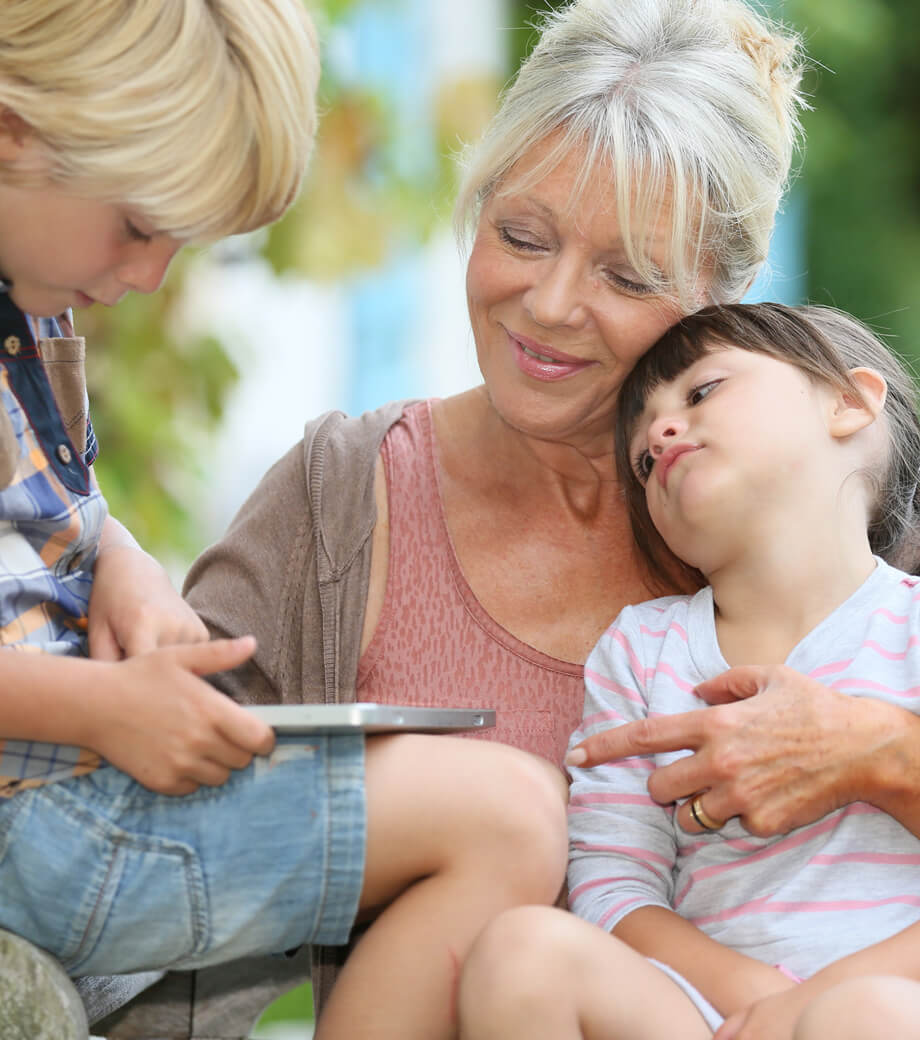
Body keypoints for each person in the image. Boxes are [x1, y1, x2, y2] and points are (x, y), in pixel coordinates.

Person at [181, 0, 814, 1024]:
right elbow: (158, 845)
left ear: (722, 297)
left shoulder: (818, 520)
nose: (551, 302)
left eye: (624, 272)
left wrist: (876, 749)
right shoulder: (342, 496)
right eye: (520, 233)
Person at [0, 3, 569, 1038]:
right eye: (138, 225)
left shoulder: (31, 297)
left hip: (60, 802)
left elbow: (40, 502)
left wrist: (115, 554)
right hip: (41, 822)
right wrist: (101, 708)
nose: (148, 275)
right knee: (507, 816)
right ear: (13, 131)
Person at [456, 301, 920, 1040]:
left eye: (703, 392)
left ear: (849, 403)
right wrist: (753, 995)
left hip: (889, 997)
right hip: (706, 1012)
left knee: (864, 1017)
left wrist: (817, 1001)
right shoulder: (641, 650)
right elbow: (613, 884)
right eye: (642, 459)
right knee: (523, 950)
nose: (663, 431)